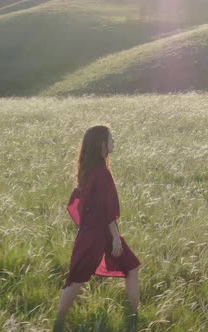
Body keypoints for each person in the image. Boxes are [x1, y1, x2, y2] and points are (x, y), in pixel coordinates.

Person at [53, 125, 141, 332]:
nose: (114, 140)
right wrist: (115, 238)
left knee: (131, 268)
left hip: (96, 232)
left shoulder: (91, 170)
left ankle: (133, 318)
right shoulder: (101, 173)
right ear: (102, 144)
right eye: (111, 137)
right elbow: (107, 209)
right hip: (97, 234)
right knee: (77, 278)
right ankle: (58, 323)